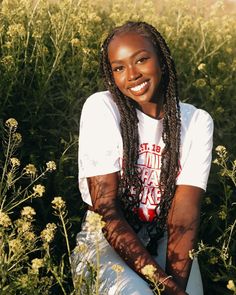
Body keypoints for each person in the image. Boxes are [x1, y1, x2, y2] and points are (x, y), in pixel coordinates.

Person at [71, 21, 214, 295]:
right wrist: (165, 286)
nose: (132, 75)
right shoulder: (101, 109)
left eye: (141, 60)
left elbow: (183, 218)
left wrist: (177, 287)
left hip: (163, 238)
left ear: (161, 60)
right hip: (105, 241)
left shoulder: (196, 121)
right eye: (119, 68)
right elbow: (107, 213)